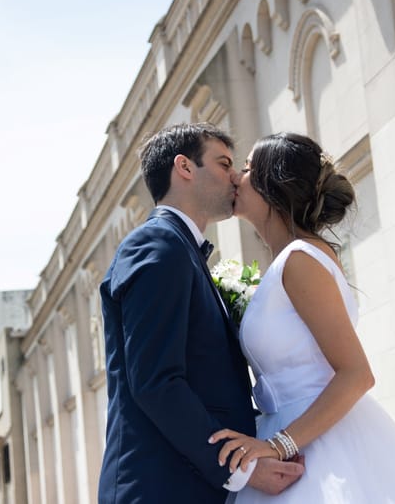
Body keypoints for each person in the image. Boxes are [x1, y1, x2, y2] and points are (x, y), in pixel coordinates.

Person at [208, 132, 395, 503]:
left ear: (276, 185)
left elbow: (356, 374)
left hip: (319, 444)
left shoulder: (300, 260)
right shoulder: (291, 260)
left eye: (249, 168)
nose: (237, 177)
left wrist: (279, 445)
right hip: (292, 433)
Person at [97, 123, 304, 504]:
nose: (236, 177)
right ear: (185, 167)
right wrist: (241, 469)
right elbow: (156, 381)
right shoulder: (157, 244)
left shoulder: (180, 248)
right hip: (160, 487)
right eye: (224, 164)